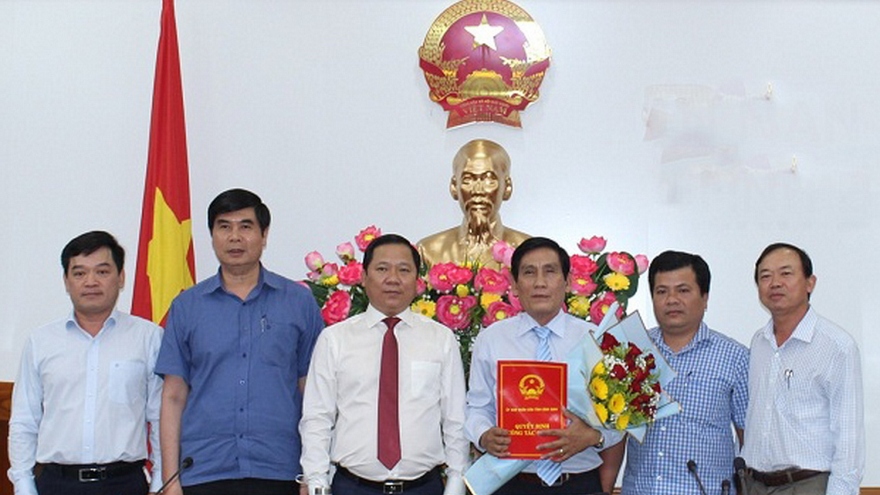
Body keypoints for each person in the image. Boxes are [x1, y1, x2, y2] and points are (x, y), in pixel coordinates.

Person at [156, 188, 324, 495]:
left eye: (245, 226)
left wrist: (313, 473)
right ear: (212, 235)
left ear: (264, 234)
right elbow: (173, 397)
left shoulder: (298, 302)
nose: (235, 237)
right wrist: (170, 480)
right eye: (224, 226)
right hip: (204, 470)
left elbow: (313, 393)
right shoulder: (187, 306)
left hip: (280, 469)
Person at [300, 234, 469, 495]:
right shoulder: (335, 339)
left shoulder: (440, 339)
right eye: (382, 269)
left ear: (418, 280)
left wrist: (456, 483)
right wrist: (316, 484)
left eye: (404, 270)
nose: (393, 279)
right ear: (364, 277)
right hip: (353, 487)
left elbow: (455, 419)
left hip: (423, 487)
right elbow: (317, 418)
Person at [7, 231, 163, 495]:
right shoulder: (41, 342)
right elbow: (24, 421)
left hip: (124, 484)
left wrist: (160, 482)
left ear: (121, 277)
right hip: (56, 484)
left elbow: (160, 418)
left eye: (102, 272)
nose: (91, 282)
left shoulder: (148, 338)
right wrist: (23, 486)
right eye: (79, 273)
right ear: (66, 281)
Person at [466, 237, 624, 495]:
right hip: (510, 484)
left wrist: (593, 436)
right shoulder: (491, 339)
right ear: (514, 284)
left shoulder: (596, 339)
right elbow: (477, 407)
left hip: (578, 483)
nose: (540, 282)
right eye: (529, 272)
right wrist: (484, 435)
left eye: (550, 271)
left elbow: (622, 417)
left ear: (568, 281)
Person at [741, 243, 864, 495]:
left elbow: (849, 439)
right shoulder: (759, 342)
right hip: (754, 485)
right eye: (765, 276)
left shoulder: (837, 346)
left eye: (786, 273)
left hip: (806, 485)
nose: (775, 283)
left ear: (810, 283)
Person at [621, 250, 748, 495]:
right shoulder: (633, 351)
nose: (672, 300)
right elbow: (616, 432)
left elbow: (749, 439)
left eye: (683, 290)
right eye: (662, 291)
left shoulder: (736, 357)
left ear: (705, 297)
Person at [418, 139, 529, 269]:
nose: (478, 190)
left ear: (507, 187)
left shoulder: (529, 253)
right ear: (454, 187)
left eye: (488, 180)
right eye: (468, 179)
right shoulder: (428, 252)